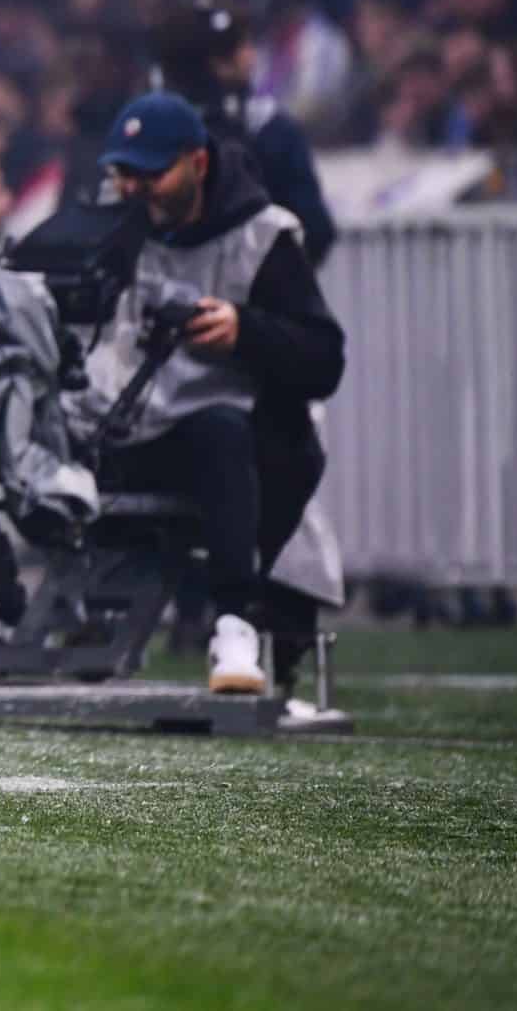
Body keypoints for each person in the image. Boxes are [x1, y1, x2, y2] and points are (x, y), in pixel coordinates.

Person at [68, 92, 343, 695]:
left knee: (219, 430)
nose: (134, 190)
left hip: (230, 443)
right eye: (124, 174)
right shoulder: (108, 227)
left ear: (197, 161)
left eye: (150, 174)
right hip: (123, 428)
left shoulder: (265, 237)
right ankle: (3, 613)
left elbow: (325, 359)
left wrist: (246, 332)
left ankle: (234, 625)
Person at [151, 0, 336, 268]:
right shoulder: (271, 129)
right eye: (243, 47)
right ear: (218, 64)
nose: (252, 57)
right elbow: (315, 230)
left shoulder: (147, 130)